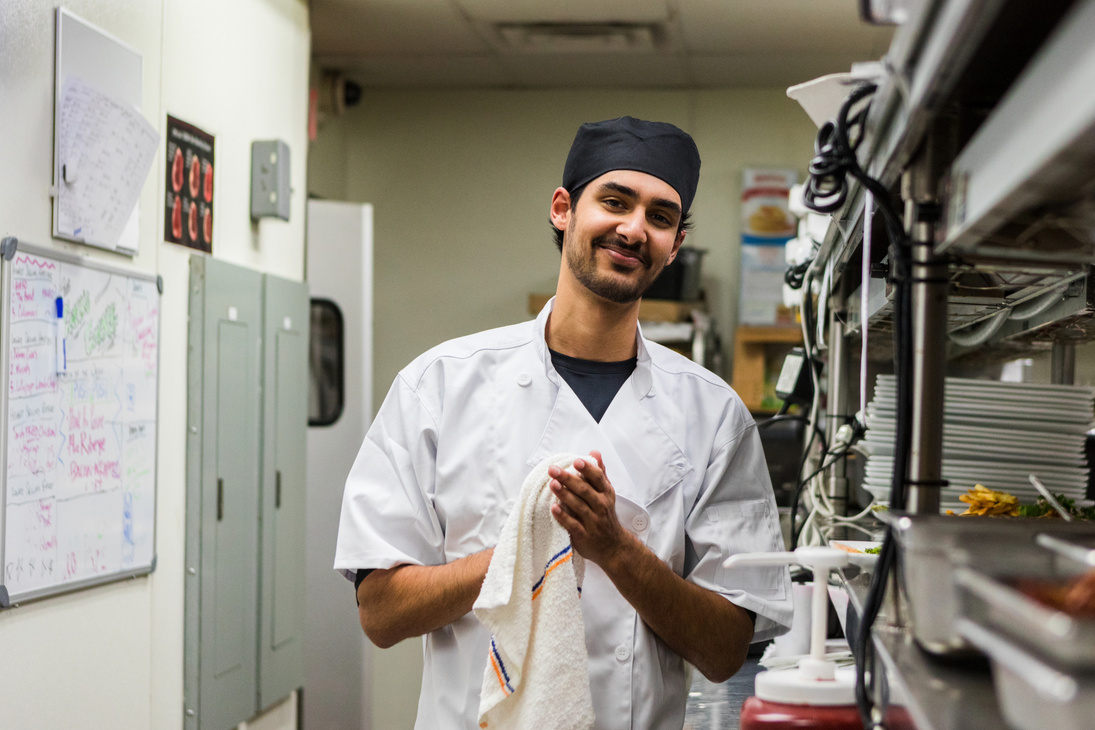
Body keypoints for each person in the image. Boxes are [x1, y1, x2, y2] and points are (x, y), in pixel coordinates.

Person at [335, 116, 793, 729]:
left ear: (674, 246)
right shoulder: (439, 386)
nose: (634, 228)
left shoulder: (713, 416)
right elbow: (381, 613)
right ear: (562, 209)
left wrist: (614, 547)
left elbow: (724, 650)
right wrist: (529, 551)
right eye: (615, 201)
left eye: (660, 216)